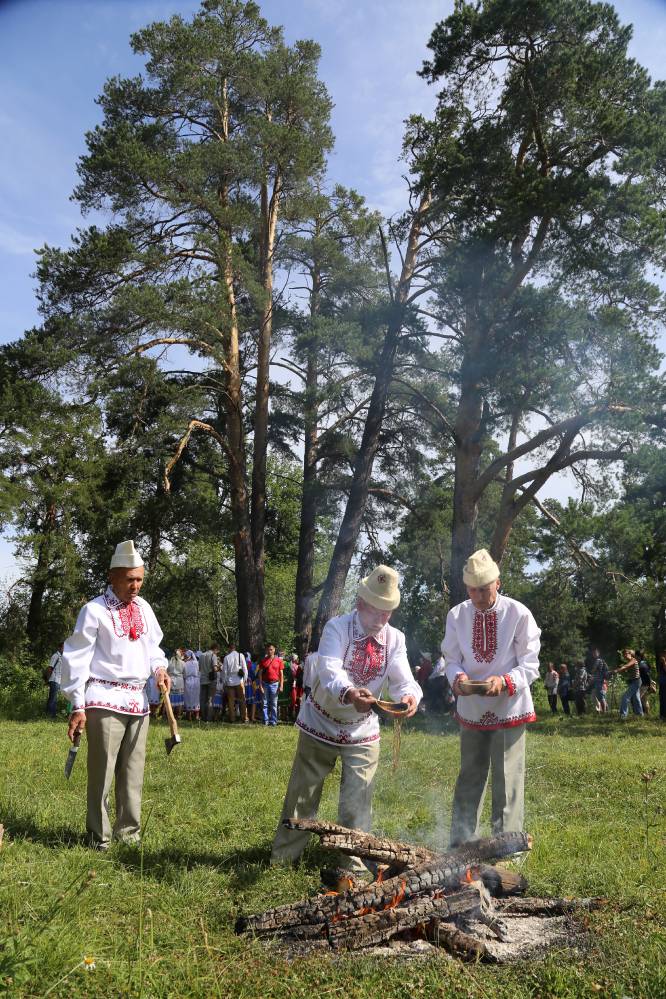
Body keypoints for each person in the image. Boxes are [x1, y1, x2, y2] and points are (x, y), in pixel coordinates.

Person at [271, 565, 421, 874]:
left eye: (388, 611)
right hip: (321, 721)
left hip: (361, 730)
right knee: (303, 793)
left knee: (358, 801)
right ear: (361, 603)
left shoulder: (396, 639)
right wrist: (350, 692)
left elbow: (404, 678)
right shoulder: (337, 628)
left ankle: (354, 865)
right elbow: (329, 669)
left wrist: (409, 697)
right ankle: (284, 859)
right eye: (377, 610)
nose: (382, 618)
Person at [60, 540, 170, 850]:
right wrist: (77, 705)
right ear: (113, 577)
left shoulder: (144, 608)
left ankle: (129, 833)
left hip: (137, 701)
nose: (136, 586)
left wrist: (160, 669)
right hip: (103, 699)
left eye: (140, 579)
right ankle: (99, 836)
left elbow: (153, 647)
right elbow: (76, 656)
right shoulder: (94, 610)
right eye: (129, 579)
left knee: (133, 774)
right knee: (102, 773)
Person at [442, 548, 540, 847]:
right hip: (471, 705)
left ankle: (506, 846)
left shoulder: (518, 613)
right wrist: (457, 678)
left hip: (509, 705)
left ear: (497, 583)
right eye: (472, 590)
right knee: (469, 774)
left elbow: (531, 663)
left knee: (507, 779)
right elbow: (451, 657)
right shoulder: (457, 614)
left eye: (483, 590)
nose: (478, 596)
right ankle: (461, 843)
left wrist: (506, 681)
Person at [222, 642, 248, 723]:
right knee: (242, 700)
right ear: (235, 648)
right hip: (239, 680)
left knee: (231, 700)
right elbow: (245, 669)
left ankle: (232, 718)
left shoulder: (226, 657)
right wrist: (244, 680)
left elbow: (224, 671)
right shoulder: (241, 655)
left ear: (229, 648)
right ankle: (244, 718)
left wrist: (224, 682)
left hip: (230, 681)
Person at [258, 643, 284, 727]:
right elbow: (260, 674)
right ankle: (265, 721)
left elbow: (281, 674)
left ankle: (273, 722)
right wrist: (261, 686)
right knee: (265, 703)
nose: (270, 651)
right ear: (266, 650)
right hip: (265, 684)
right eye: (268, 649)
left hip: (275, 684)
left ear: (274, 650)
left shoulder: (279, 660)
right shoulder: (263, 660)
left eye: (271, 649)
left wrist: (281, 685)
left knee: (274, 704)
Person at [616, 648, 643, 720]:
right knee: (636, 699)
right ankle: (640, 715)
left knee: (625, 697)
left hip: (636, 681)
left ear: (630, 654)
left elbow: (625, 666)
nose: (624, 656)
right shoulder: (629, 661)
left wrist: (617, 670)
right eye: (623, 654)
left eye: (625, 654)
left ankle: (623, 716)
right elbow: (625, 670)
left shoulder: (633, 660)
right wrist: (617, 671)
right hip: (633, 681)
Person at [198, 643, 219, 722]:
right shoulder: (213, 655)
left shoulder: (201, 655)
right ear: (215, 649)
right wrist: (219, 667)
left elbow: (199, 668)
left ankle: (203, 717)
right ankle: (209, 718)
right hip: (211, 680)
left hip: (203, 679)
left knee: (203, 699)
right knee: (210, 699)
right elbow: (214, 668)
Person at [46, 642, 64, 719]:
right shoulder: (55, 656)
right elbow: (50, 668)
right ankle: (50, 716)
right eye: (63, 647)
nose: (65, 649)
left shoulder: (62, 657)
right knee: (52, 698)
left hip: (59, 680)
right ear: (59, 648)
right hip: (54, 680)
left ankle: (50, 714)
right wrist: (48, 680)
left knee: (54, 698)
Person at [182, 648, 200, 720]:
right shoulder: (196, 663)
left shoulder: (185, 663)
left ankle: (189, 716)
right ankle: (196, 716)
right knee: (196, 698)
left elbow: (184, 674)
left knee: (188, 697)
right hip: (196, 681)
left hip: (188, 681)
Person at [167, 648, 185, 719]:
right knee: (179, 699)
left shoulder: (169, 662)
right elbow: (185, 673)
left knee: (171, 698)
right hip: (179, 681)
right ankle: (178, 715)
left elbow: (167, 671)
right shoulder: (183, 663)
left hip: (171, 680)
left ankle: (170, 715)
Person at [289, 653, 304, 721]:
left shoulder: (299, 666)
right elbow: (295, 677)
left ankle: (296, 716)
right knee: (296, 701)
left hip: (299, 686)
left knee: (296, 701)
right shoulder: (298, 667)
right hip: (297, 686)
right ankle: (295, 716)